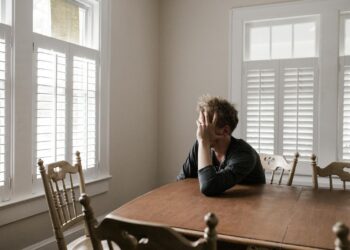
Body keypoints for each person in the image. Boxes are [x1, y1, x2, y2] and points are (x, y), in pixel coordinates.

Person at [177, 95, 266, 196]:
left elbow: (209, 186)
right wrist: (202, 143)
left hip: (249, 206)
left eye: (204, 126)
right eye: (199, 125)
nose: (199, 131)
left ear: (225, 131)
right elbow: (181, 181)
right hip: (214, 204)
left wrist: (203, 142)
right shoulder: (200, 145)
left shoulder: (245, 154)